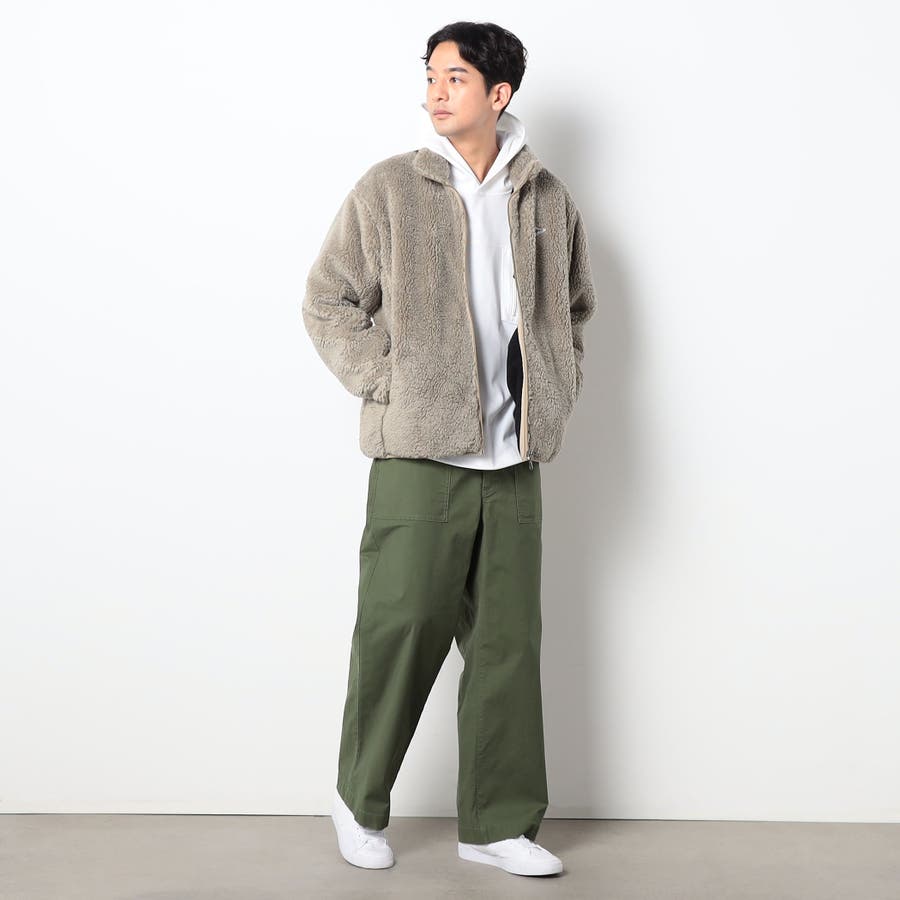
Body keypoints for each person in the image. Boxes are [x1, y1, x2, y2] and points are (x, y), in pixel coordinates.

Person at [302, 20, 596, 878]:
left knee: (507, 647)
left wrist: (555, 388)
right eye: (431, 75)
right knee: (398, 630)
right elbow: (327, 300)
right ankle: (358, 800)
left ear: (498, 95)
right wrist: (386, 381)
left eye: (455, 77)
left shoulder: (545, 198)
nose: (436, 90)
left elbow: (574, 308)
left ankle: (496, 824)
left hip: (514, 460)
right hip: (419, 456)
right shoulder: (392, 188)